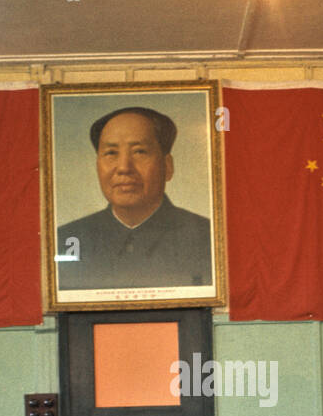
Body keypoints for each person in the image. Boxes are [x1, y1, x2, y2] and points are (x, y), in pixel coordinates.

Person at [56, 107, 212, 291]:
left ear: (167, 166)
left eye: (139, 152)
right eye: (111, 153)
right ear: (97, 165)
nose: (124, 168)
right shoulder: (66, 239)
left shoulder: (208, 238)